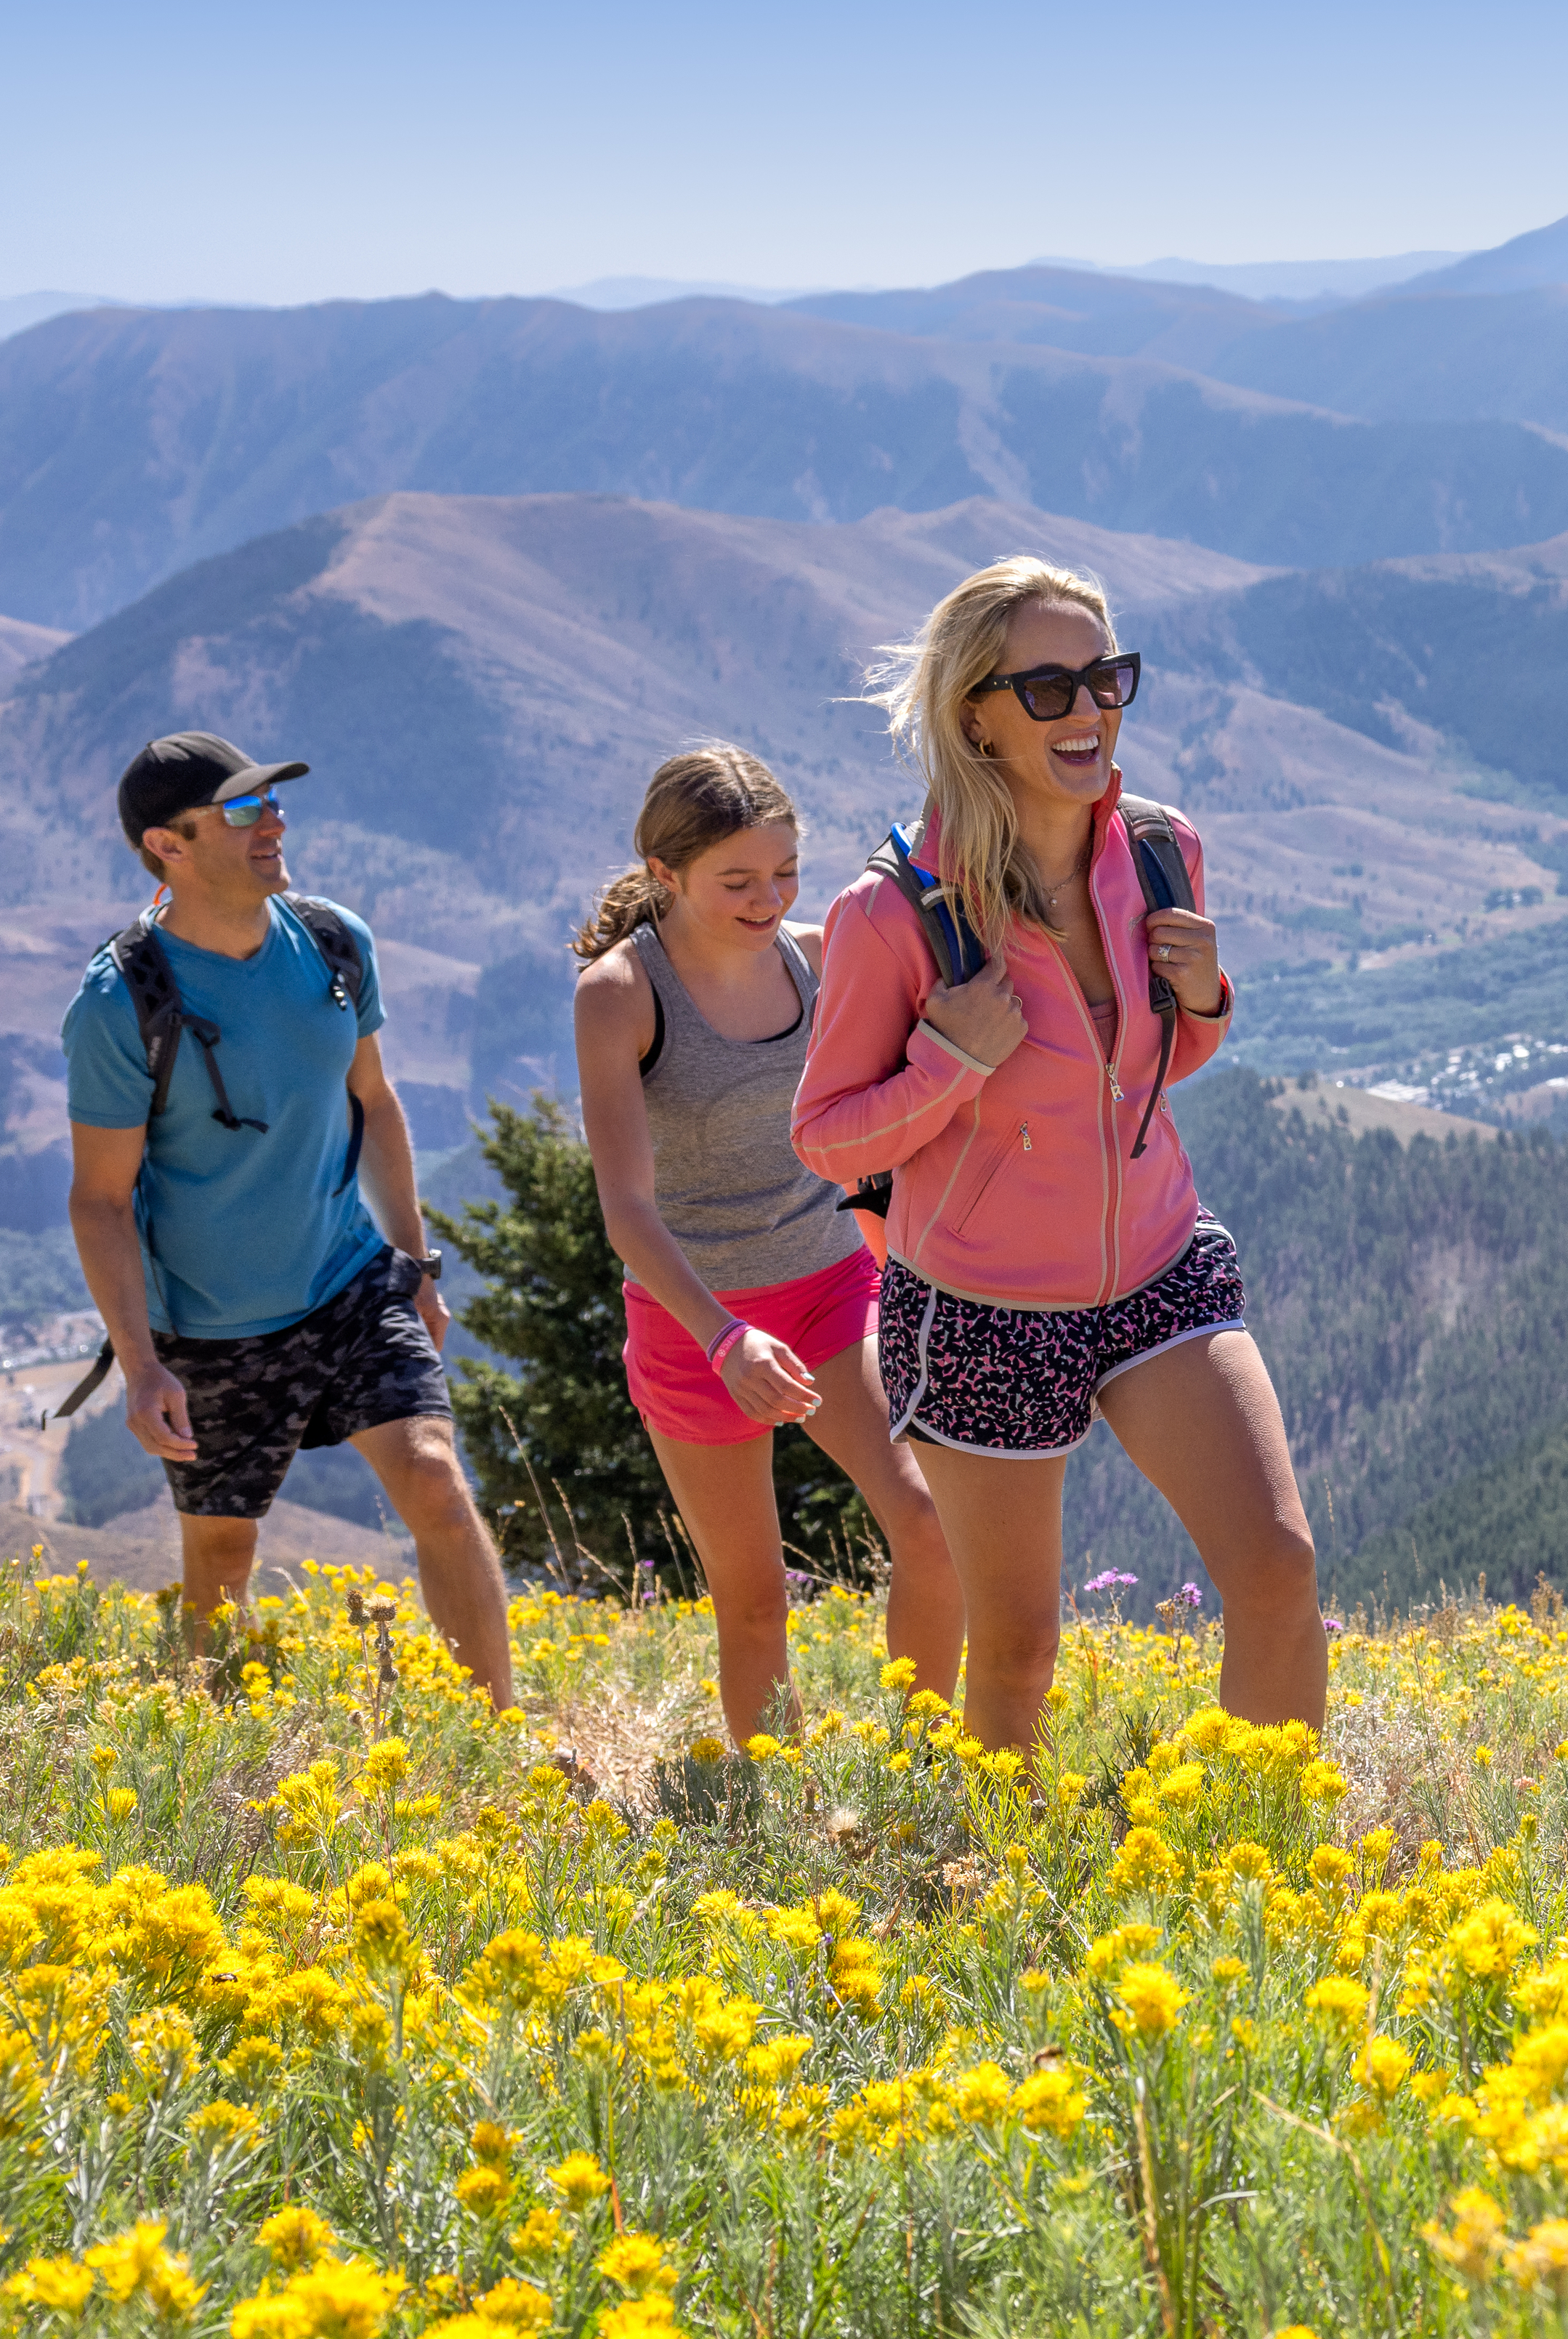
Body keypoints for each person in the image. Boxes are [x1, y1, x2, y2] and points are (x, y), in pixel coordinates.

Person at [791, 557, 1324, 1753]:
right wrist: (947, 1061)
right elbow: (825, 1132)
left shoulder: (1158, 851)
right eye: (1049, 689)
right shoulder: (894, 914)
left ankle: (1279, 1865)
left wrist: (1209, 999)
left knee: (1280, 1567)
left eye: (1106, 679)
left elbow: (1137, 1077)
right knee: (1020, 1650)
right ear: (973, 709)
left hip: (1158, 1262)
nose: (1088, 712)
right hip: (982, 1307)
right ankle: (998, 1898)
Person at [60, 734, 514, 1698]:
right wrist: (141, 1365)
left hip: (348, 1281)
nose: (271, 821)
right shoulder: (120, 1001)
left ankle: (499, 1745)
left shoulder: (336, 942)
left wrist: (416, 1265)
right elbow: (99, 1201)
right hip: (210, 1326)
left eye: (272, 802)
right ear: (166, 845)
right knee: (221, 1564)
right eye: (239, 809)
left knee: (434, 1477)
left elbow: (376, 1101)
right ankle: (214, 1774)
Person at [572, 746, 962, 1741]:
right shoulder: (620, 993)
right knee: (751, 1603)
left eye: (784, 871)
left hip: (834, 1283)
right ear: (666, 873)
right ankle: (776, 1831)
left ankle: (917, 1769)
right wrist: (721, 1337)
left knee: (929, 1522)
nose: (769, 897)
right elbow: (627, 1209)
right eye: (737, 881)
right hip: (693, 1316)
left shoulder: (816, 952)